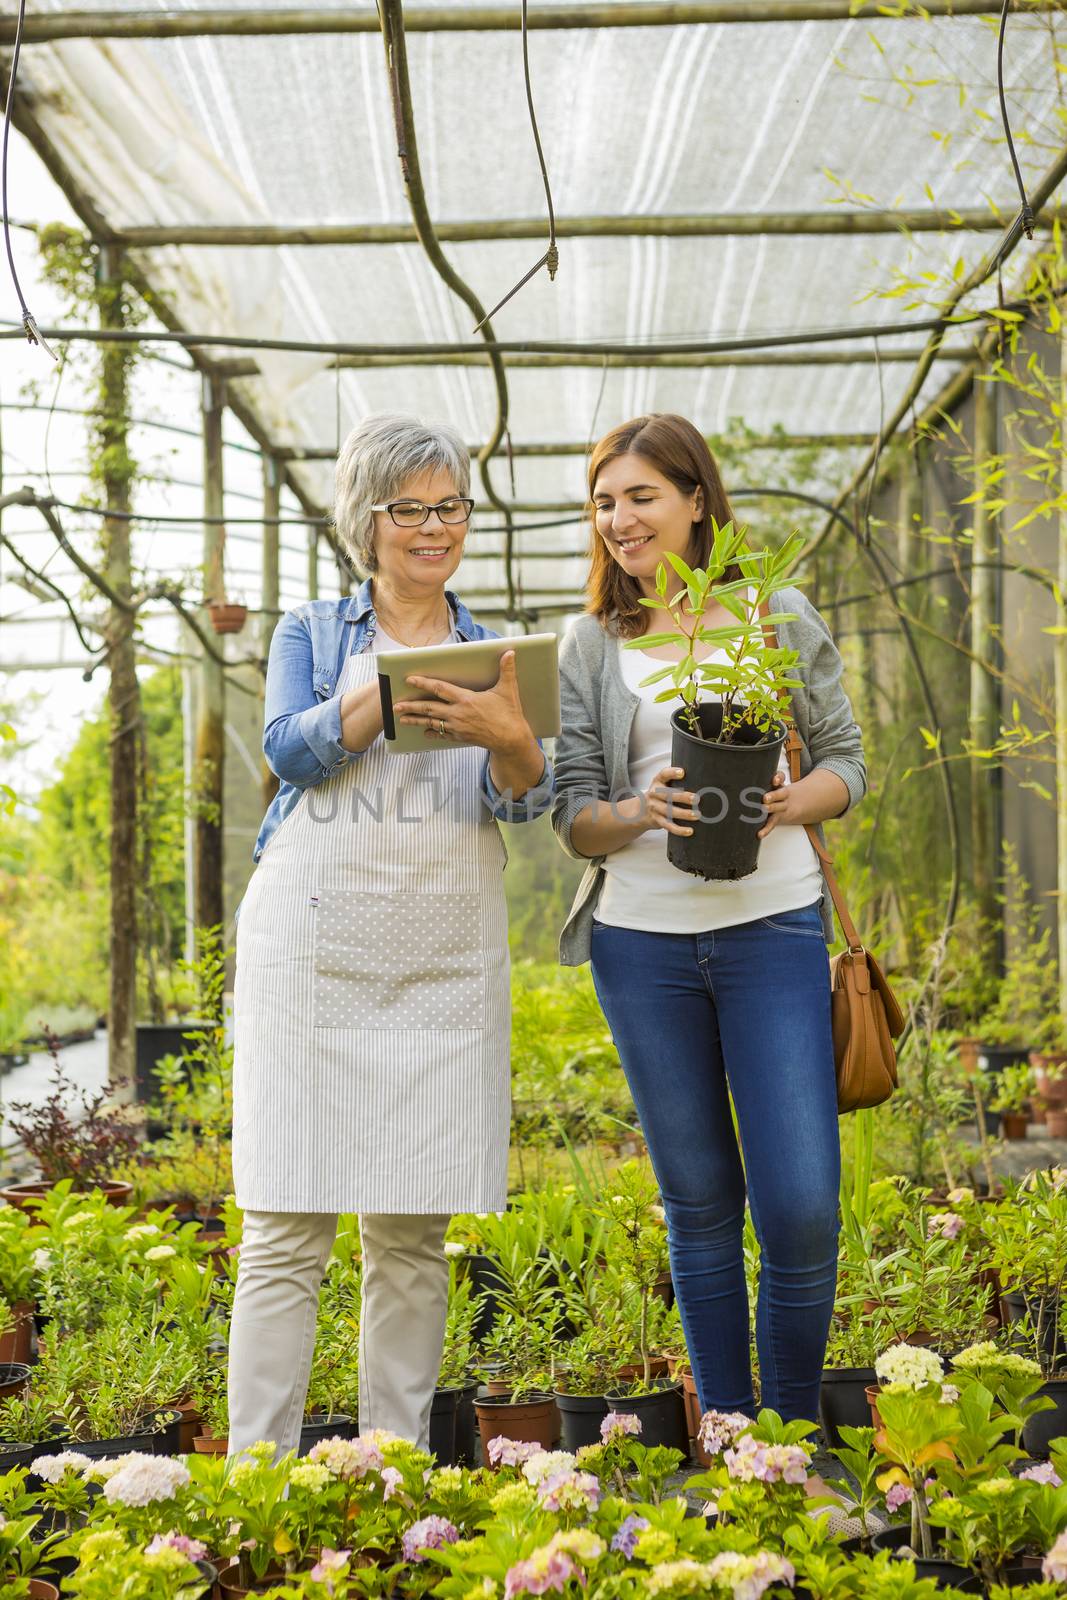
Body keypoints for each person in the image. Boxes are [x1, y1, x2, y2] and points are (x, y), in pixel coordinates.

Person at [228, 412, 552, 1456]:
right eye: (407, 508)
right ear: (364, 520)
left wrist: (513, 744)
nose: (431, 527)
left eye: (448, 506)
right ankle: (254, 1484)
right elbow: (286, 753)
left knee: (411, 1234)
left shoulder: (493, 650)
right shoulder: (313, 632)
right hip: (314, 953)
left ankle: (390, 1475)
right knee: (283, 1230)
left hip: (440, 959)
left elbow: (513, 807)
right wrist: (367, 702)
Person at [550, 412, 866, 1425]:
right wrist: (641, 810)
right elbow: (573, 816)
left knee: (801, 1208)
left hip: (773, 926)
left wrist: (787, 801)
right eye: (603, 502)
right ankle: (730, 1435)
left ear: (695, 501)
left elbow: (847, 764)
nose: (619, 519)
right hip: (640, 944)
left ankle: (793, 1432)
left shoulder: (774, 616)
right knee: (696, 1203)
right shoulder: (591, 645)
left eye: (640, 496)